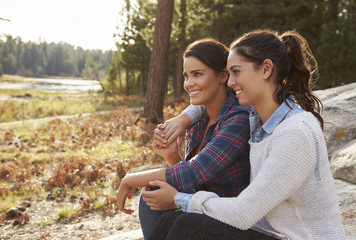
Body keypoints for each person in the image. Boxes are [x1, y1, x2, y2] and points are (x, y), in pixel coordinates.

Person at [144, 29, 347, 239]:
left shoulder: (294, 132)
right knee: (171, 220)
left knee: (189, 224)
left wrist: (179, 199)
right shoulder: (259, 118)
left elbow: (244, 212)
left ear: (266, 69)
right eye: (229, 74)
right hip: (270, 233)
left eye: (236, 72)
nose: (230, 82)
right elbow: (211, 100)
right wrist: (184, 118)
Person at [116, 38, 251, 239]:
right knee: (152, 193)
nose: (188, 84)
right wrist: (172, 155)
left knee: (176, 216)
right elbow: (197, 184)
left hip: (230, 220)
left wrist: (129, 179)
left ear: (222, 76)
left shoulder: (239, 119)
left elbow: (196, 172)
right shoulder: (199, 121)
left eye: (198, 74)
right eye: (186, 76)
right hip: (201, 211)